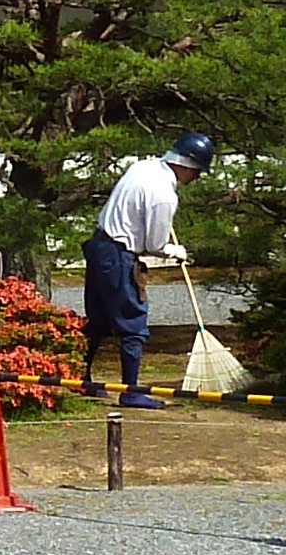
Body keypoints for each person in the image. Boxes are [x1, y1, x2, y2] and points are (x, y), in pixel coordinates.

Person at [85, 133, 214, 406]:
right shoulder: (163, 195)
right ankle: (131, 391)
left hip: (99, 245)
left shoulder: (142, 167)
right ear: (188, 165)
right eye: (199, 171)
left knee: (97, 319)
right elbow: (154, 244)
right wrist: (175, 251)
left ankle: (81, 379)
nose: (198, 177)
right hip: (119, 255)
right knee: (133, 323)